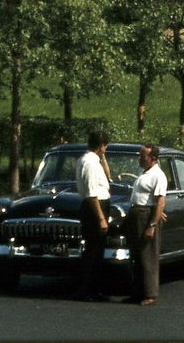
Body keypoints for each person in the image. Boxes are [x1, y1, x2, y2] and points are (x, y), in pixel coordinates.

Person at [124, 143, 167, 306]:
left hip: (145, 216)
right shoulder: (145, 173)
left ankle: (151, 294)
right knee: (136, 255)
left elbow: (160, 201)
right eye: (140, 155)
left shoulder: (158, 175)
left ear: (153, 158)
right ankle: (137, 292)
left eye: (143, 156)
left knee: (148, 255)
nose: (140, 158)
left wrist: (152, 224)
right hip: (137, 213)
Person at [74, 129, 112, 301]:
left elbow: (108, 176)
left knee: (98, 251)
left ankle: (95, 289)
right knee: (92, 251)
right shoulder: (89, 163)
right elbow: (91, 194)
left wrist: (103, 157)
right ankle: (86, 289)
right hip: (95, 207)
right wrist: (101, 218)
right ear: (102, 146)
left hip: (101, 204)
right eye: (105, 147)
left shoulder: (95, 160)